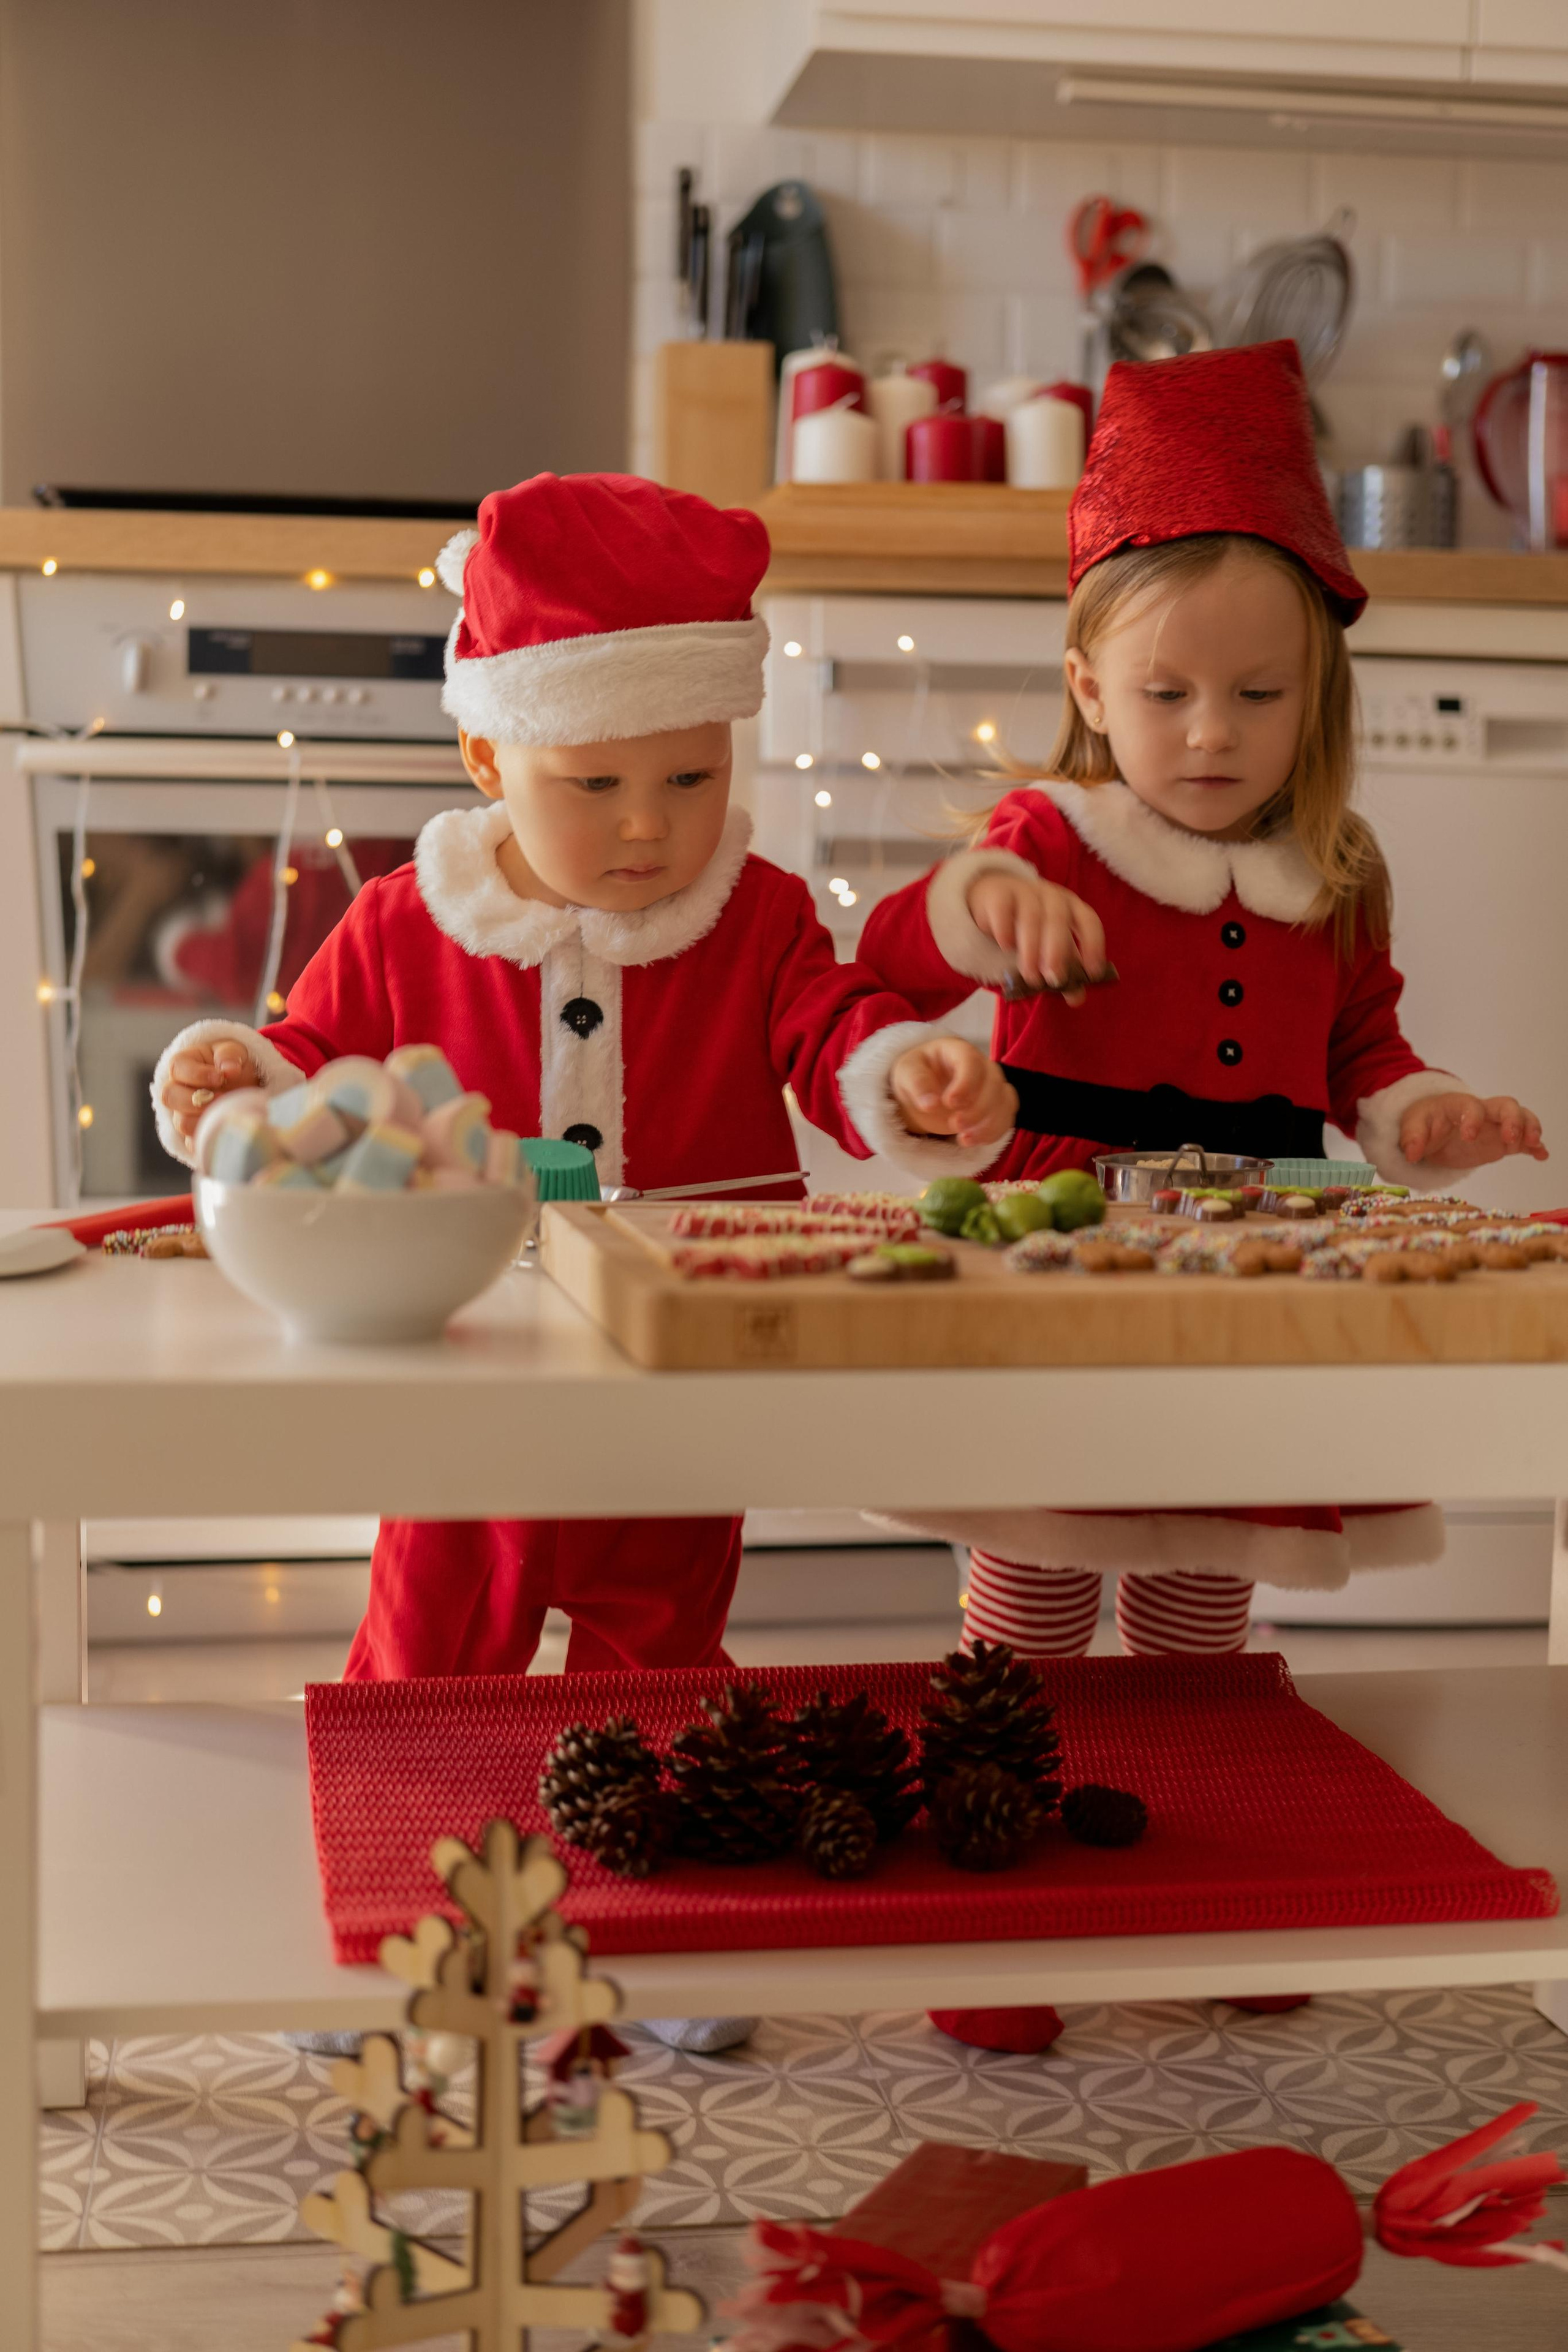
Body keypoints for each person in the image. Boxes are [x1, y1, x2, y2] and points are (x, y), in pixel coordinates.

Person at [855, 342, 1547, 2051]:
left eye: (1259, 696)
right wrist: (978, 913)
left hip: (1253, 1255)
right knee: (1031, 1588)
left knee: (1194, 1599)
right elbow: (897, 951)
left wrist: (1434, 1118)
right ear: (1090, 682)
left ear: (1318, 698)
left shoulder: (1339, 876)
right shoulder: (1048, 840)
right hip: (1062, 1244)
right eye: (1169, 695)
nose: (1214, 733)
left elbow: (1366, 1063)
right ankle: (1004, 1922)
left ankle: (1198, 1876)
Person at [153, 471, 1014, 1694]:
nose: (649, 831)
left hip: (683, 1348)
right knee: (430, 1644)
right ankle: (399, 1811)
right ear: (486, 755)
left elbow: (830, 1034)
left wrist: (897, 1073)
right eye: (596, 787)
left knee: (661, 1645)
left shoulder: (756, 916)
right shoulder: (408, 921)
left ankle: (652, 1818)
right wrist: (241, 1076)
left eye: (691, 780)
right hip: (466, 1350)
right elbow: (309, 1058)